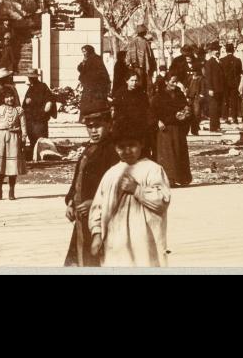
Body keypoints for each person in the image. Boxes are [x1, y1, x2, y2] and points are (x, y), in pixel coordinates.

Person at [88, 120, 170, 267]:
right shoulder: (111, 173)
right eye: (121, 147)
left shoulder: (152, 169)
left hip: (144, 241)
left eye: (132, 145)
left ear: (142, 144)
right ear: (115, 148)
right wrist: (96, 233)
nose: (127, 151)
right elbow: (98, 206)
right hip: (114, 240)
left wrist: (137, 189)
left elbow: (162, 201)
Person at [64, 102, 120, 268]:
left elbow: (115, 186)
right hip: (82, 217)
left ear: (109, 125)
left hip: (101, 218)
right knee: (82, 256)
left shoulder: (112, 151)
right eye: (90, 127)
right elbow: (78, 178)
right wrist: (70, 202)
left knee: (97, 259)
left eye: (98, 127)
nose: (93, 131)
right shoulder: (90, 148)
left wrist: (94, 203)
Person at [151, 74, 192, 187]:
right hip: (165, 128)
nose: (175, 84)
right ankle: (169, 179)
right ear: (166, 82)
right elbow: (152, 111)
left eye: (176, 81)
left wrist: (186, 112)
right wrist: (158, 121)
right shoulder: (159, 95)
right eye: (172, 81)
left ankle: (182, 178)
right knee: (167, 155)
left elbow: (186, 106)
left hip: (178, 127)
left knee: (179, 152)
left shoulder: (179, 94)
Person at [0, 86, 28, 201]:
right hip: (1, 138)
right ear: (2, 98)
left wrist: (24, 139)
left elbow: (23, 125)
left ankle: (11, 191)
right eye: (6, 97)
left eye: (11, 96)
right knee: (0, 166)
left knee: (12, 166)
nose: (9, 99)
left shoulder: (19, 110)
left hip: (14, 138)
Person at [112, 71, 153, 157]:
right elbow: (117, 112)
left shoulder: (141, 94)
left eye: (136, 80)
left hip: (138, 128)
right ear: (126, 81)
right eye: (132, 80)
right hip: (124, 128)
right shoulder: (120, 94)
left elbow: (146, 110)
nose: (134, 83)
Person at [22, 70, 57, 151]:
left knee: (41, 138)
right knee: (32, 137)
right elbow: (25, 103)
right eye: (29, 77)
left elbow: (50, 99)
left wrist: (46, 109)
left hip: (40, 118)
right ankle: (34, 151)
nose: (30, 79)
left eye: (32, 77)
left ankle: (42, 153)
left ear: (36, 77)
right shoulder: (30, 87)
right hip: (30, 118)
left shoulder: (43, 86)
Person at [77, 45, 111, 115]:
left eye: (85, 51)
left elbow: (101, 71)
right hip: (88, 85)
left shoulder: (96, 58)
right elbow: (80, 69)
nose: (84, 53)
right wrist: (83, 62)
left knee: (95, 102)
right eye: (83, 52)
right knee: (87, 101)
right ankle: (87, 118)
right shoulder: (86, 59)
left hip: (96, 85)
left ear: (89, 50)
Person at [125, 24, 156, 93]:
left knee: (147, 85)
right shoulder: (134, 42)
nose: (145, 33)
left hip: (146, 68)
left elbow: (150, 55)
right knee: (139, 84)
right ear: (141, 32)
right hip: (137, 67)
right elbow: (130, 55)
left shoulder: (146, 42)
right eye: (144, 31)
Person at [203, 41, 225, 132]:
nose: (218, 51)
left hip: (219, 89)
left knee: (218, 108)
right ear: (211, 51)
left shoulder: (219, 61)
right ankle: (213, 127)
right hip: (213, 89)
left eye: (219, 50)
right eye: (216, 50)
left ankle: (217, 126)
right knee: (213, 108)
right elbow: (208, 77)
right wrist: (210, 89)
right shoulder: (209, 62)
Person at [220, 44, 243, 124]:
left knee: (225, 101)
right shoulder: (238, 60)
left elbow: (220, 73)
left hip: (225, 84)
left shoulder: (221, 60)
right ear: (233, 50)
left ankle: (225, 117)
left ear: (226, 50)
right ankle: (234, 118)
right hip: (234, 84)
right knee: (234, 101)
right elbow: (240, 72)